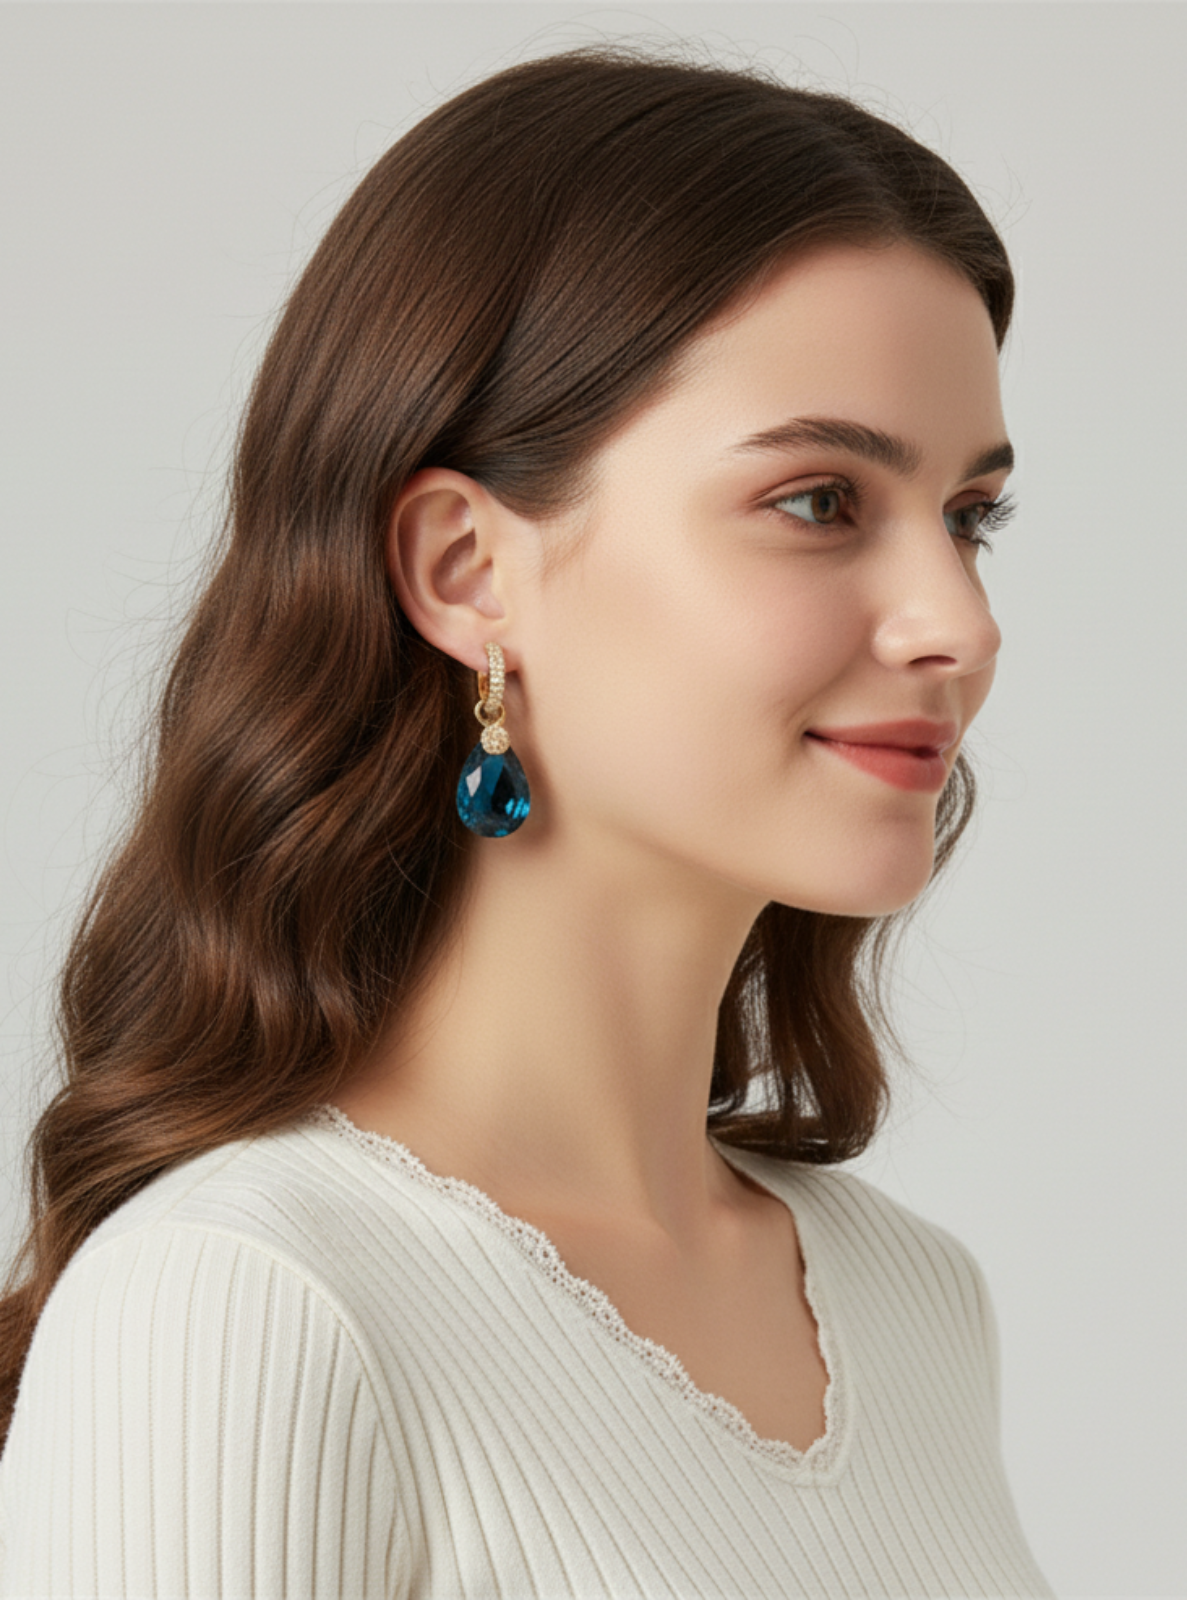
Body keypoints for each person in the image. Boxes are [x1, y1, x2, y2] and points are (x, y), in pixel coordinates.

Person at [0, 45, 1054, 1599]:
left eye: (968, 519)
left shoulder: (909, 1302)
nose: (957, 623)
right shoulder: (247, 1300)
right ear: (466, 572)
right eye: (819, 501)